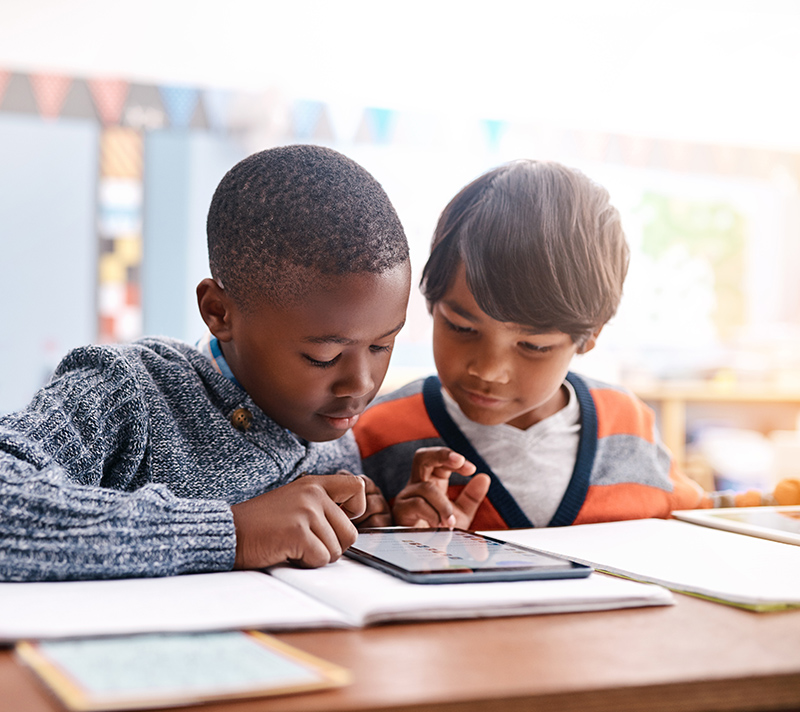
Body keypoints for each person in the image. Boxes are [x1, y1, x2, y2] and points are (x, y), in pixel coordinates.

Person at [0, 144, 410, 581]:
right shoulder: (124, 391)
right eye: (321, 356)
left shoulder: (333, 435)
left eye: (383, 346)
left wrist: (385, 525)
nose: (360, 385)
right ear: (219, 312)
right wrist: (232, 532)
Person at [354, 159, 796, 531]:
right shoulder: (375, 434)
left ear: (591, 335)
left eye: (533, 346)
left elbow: (690, 514)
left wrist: (779, 503)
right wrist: (393, 531)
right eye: (461, 327)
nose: (488, 369)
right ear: (431, 303)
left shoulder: (628, 423)